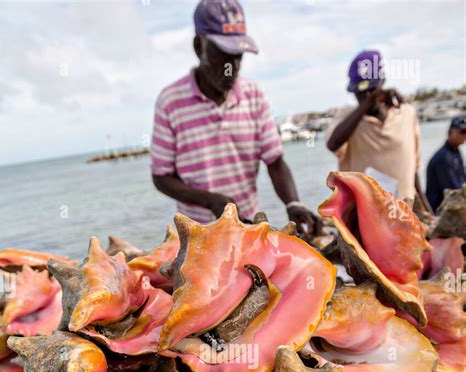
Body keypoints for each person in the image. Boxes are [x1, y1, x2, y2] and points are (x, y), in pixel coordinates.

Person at [151, 0, 319, 238]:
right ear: (199, 47)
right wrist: (210, 201)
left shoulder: (254, 95)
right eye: (223, 55)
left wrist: (293, 203)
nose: (233, 66)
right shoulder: (170, 101)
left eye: (238, 55)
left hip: (246, 227)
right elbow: (161, 176)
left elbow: (275, 160)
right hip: (197, 234)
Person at [326, 49, 431, 209]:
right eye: (360, 93)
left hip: (405, 211)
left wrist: (425, 205)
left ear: (382, 81)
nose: (365, 96)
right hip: (365, 214)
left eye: (370, 91)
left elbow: (412, 167)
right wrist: (366, 104)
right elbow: (333, 144)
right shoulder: (348, 117)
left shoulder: (407, 113)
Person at [426, 115, 466, 212]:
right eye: (462, 132)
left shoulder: (455, 152)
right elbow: (453, 190)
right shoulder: (443, 157)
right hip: (440, 211)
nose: (464, 135)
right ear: (449, 132)